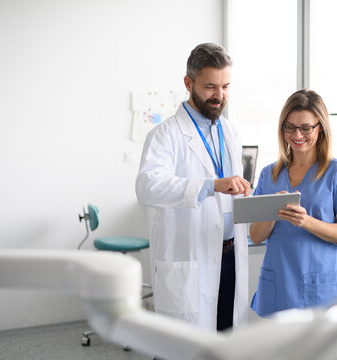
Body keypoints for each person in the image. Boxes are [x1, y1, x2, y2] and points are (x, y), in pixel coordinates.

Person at [135, 43, 251, 332]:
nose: (219, 96)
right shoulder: (166, 134)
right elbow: (147, 187)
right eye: (210, 86)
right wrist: (212, 186)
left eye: (225, 86)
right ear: (189, 83)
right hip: (190, 258)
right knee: (179, 346)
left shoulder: (230, 131)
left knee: (224, 339)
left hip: (229, 256)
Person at [249, 89, 337, 317]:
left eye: (306, 128)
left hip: (321, 286)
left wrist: (306, 221)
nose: (297, 135)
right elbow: (255, 236)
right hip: (279, 282)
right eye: (290, 127)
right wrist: (272, 211)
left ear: (320, 128)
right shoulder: (269, 174)